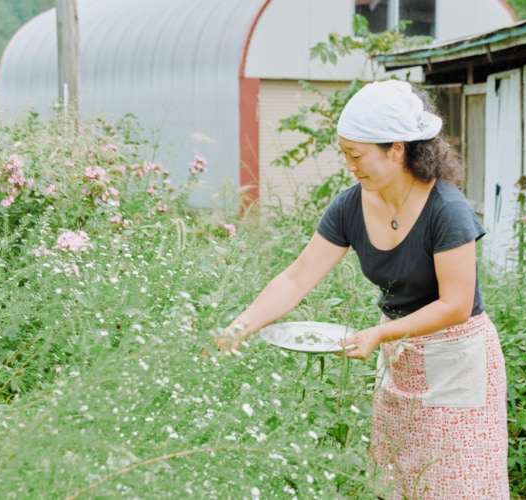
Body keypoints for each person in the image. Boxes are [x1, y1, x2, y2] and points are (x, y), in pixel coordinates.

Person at [216, 79, 509, 499]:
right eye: (345, 155)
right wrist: (238, 328)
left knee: (455, 484)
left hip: (455, 359)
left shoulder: (447, 210)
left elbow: (456, 305)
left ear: (397, 149)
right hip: (400, 357)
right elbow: (297, 277)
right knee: (398, 483)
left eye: (358, 155)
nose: (350, 166)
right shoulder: (350, 205)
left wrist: (380, 333)